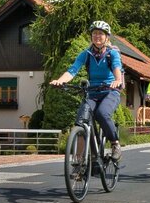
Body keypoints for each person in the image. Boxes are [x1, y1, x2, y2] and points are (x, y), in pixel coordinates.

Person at [50, 21, 125, 161]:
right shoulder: (86, 54)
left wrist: (117, 80)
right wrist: (60, 80)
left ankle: (115, 143)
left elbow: (116, 67)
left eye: (100, 33)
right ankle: (79, 162)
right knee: (81, 122)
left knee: (102, 113)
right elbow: (73, 70)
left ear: (107, 37)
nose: (97, 36)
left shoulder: (112, 53)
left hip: (110, 90)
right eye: (94, 33)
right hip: (92, 92)